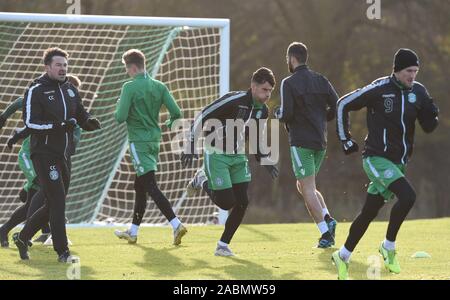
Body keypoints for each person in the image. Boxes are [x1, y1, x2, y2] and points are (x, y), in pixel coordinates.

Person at [332, 48, 439, 279]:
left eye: (416, 71)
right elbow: (343, 104)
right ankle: (388, 246)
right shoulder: (379, 89)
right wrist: (345, 138)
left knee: (369, 211)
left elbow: (429, 126)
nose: (413, 76)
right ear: (397, 71)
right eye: (409, 71)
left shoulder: (418, 92)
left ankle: (342, 255)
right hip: (376, 158)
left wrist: (432, 115)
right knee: (408, 196)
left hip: (399, 162)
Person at [13, 47, 101, 262]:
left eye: (65, 65)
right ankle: (63, 252)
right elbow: (31, 123)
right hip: (43, 154)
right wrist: (60, 126)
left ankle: (23, 237)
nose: (63, 69)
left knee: (53, 203)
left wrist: (88, 122)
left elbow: (80, 113)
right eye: (58, 65)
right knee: (58, 202)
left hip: (64, 155)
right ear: (48, 67)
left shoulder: (70, 89)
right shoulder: (36, 90)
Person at [182, 67, 279, 256]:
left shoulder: (263, 111)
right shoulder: (233, 100)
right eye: (264, 89)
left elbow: (256, 137)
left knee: (242, 202)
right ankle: (202, 179)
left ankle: (223, 246)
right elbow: (203, 115)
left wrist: (264, 158)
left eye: (270, 91)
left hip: (238, 156)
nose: (267, 95)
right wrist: (190, 144)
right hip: (216, 153)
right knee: (226, 203)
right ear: (253, 86)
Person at [113, 49, 187, 246]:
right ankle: (133, 231)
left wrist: (120, 104)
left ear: (133, 67)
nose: (127, 72)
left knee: (151, 186)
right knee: (140, 187)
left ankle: (176, 224)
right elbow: (176, 112)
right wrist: (171, 122)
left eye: (127, 69)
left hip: (138, 143)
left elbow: (119, 117)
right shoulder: (159, 86)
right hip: (154, 142)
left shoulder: (129, 87)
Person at [0, 74, 83, 248]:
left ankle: (10, 231)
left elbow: (73, 139)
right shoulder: (45, 97)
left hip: (49, 158)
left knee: (40, 198)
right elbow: (20, 103)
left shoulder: (71, 111)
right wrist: (4, 117)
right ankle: (31, 234)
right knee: (45, 191)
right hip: (30, 155)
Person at [275, 42, 339, 248]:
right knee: (303, 185)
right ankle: (328, 218)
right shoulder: (321, 80)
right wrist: (322, 119)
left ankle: (325, 233)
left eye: (288, 59)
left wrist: (277, 114)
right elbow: (337, 104)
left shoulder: (288, 82)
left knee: (307, 187)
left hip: (301, 142)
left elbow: (286, 114)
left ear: (292, 59)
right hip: (321, 141)